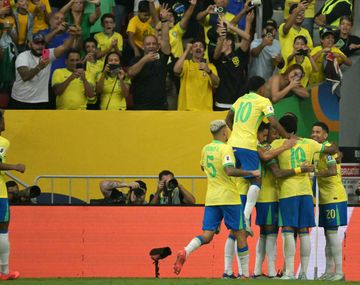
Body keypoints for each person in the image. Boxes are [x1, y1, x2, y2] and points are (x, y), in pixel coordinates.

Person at [173, 119, 260, 276]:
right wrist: (251, 172)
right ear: (225, 132)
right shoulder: (226, 149)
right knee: (240, 233)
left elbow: (202, 166)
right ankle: (246, 275)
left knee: (207, 235)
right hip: (228, 197)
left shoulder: (206, 149)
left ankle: (186, 251)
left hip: (212, 198)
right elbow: (229, 170)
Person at [270, 114, 338, 279]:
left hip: (288, 193)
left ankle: (289, 273)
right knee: (303, 231)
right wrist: (330, 146)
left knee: (287, 230)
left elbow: (268, 161)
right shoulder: (309, 143)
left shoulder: (277, 144)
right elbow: (333, 149)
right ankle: (303, 274)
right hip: (306, 193)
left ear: (283, 129)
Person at [225, 76, 291, 235]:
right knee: (257, 178)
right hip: (247, 145)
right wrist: (287, 138)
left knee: (237, 177)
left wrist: (239, 133)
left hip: (231, 145)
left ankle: (233, 217)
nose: (268, 89)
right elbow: (273, 123)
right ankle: (246, 217)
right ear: (261, 88)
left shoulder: (240, 99)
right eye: (267, 86)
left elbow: (228, 119)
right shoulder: (263, 101)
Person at [9, 27, 80, 109]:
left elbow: (65, 47)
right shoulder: (23, 56)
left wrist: (72, 36)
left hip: (40, 100)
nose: (40, 46)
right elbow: (25, 76)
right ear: (30, 44)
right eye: (36, 43)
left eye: (42, 43)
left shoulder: (47, 54)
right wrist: (39, 67)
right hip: (20, 100)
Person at [311, 121, 347, 281]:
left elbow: (332, 170)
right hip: (323, 198)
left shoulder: (329, 150)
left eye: (318, 132)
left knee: (332, 236)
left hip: (334, 196)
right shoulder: (316, 150)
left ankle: (339, 272)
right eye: (313, 132)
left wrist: (315, 174)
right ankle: (328, 271)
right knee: (327, 236)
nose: (314, 135)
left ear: (325, 135)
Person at [0, 110, 26, 280]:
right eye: (2, 118)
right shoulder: (3, 142)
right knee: (3, 228)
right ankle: (4, 271)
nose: (4, 122)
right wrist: (15, 166)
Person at [127, 17, 170, 110]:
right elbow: (130, 73)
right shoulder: (136, 59)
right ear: (143, 46)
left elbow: (166, 40)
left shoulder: (162, 58)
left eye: (153, 44)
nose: (151, 46)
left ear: (158, 46)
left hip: (160, 106)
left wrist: (164, 21)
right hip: (141, 106)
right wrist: (144, 59)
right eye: (148, 44)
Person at [213, 13, 253, 110]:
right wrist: (221, 38)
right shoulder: (218, 57)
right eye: (218, 40)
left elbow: (247, 38)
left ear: (229, 42)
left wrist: (247, 23)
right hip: (221, 102)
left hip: (238, 103)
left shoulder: (239, 54)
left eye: (223, 40)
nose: (220, 42)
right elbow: (215, 54)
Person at [174, 40, 219, 111]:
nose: (198, 48)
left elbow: (216, 84)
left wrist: (208, 71)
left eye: (201, 46)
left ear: (204, 51)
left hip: (204, 110)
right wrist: (186, 50)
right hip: (186, 110)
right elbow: (176, 70)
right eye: (195, 46)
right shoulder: (186, 64)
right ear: (191, 51)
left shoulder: (210, 67)